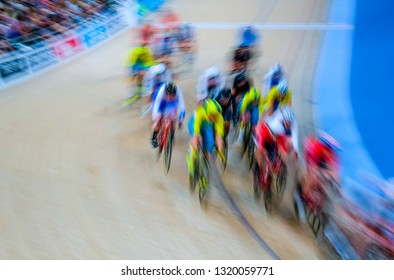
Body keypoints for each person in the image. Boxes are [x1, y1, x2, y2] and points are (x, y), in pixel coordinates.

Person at [254, 106, 299, 174]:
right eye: (287, 123)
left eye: (289, 123)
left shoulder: (294, 124)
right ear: (283, 119)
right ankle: (261, 165)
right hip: (267, 131)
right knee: (261, 149)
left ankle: (278, 162)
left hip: (279, 134)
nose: (288, 124)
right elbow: (267, 134)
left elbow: (295, 137)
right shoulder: (277, 121)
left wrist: (295, 151)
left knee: (287, 146)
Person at [186, 98, 225, 175]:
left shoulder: (219, 118)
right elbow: (196, 134)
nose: (213, 117)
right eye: (212, 115)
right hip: (195, 121)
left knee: (210, 145)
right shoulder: (200, 113)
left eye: (215, 116)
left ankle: (204, 172)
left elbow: (219, 136)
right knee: (197, 139)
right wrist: (197, 139)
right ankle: (191, 156)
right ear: (206, 112)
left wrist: (220, 151)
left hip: (207, 125)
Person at [299, 131, 341, 203]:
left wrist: (336, 181)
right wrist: (313, 170)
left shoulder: (333, 155)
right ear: (326, 145)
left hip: (321, 164)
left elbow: (335, 170)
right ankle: (303, 194)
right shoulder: (317, 147)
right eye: (328, 148)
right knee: (313, 177)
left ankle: (320, 198)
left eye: (331, 150)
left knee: (325, 179)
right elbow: (312, 162)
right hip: (310, 157)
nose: (330, 151)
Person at [151, 82, 185, 148]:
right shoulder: (161, 93)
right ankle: (154, 137)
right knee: (158, 119)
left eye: (173, 95)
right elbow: (156, 107)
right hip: (159, 100)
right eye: (170, 96)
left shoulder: (179, 93)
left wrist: (181, 120)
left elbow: (182, 107)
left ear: (175, 94)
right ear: (167, 94)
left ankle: (172, 133)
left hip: (170, 102)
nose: (171, 97)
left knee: (173, 116)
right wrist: (158, 117)